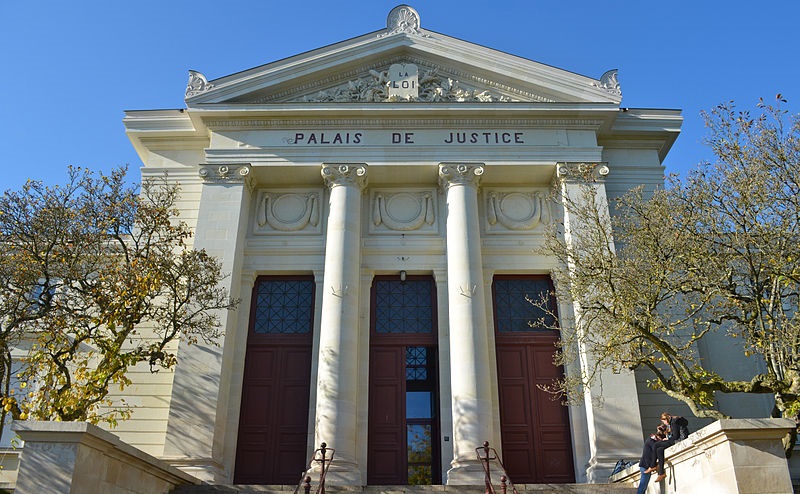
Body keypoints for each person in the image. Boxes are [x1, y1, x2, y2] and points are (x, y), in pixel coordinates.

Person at [651, 412, 690, 482]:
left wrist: (667, 439)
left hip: (678, 440)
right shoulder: (672, 423)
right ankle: (661, 473)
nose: (664, 423)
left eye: (663, 421)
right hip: (675, 439)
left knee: (656, 445)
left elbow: (675, 436)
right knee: (659, 450)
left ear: (666, 419)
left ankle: (653, 465)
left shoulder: (674, 422)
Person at [637, 426, 667, 494]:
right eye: (660, 439)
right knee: (642, 487)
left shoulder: (650, 440)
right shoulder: (651, 442)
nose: (660, 441)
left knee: (643, 487)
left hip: (645, 465)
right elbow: (654, 452)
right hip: (645, 466)